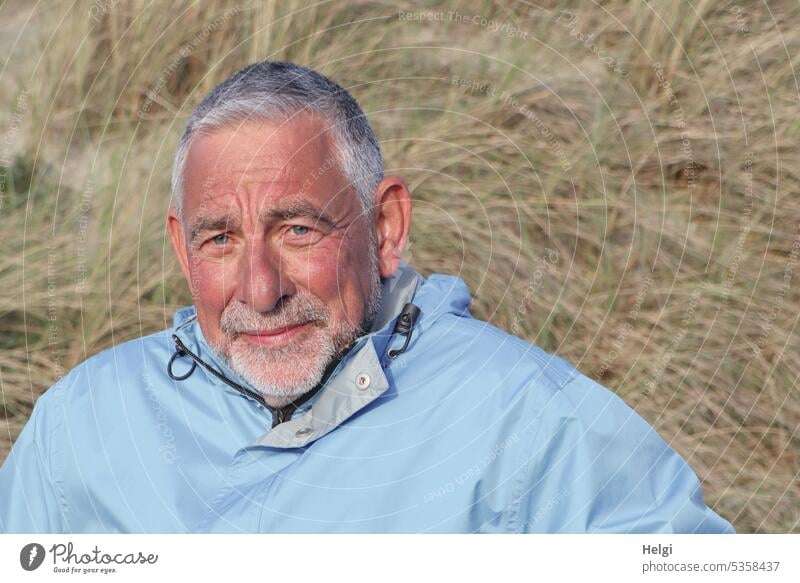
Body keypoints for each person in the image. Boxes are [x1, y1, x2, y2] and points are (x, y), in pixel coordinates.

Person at [0, 61, 734, 534]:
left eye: (297, 228)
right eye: (219, 239)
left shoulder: (527, 421)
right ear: (180, 250)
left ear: (385, 228)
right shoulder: (82, 423)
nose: (259, 288)